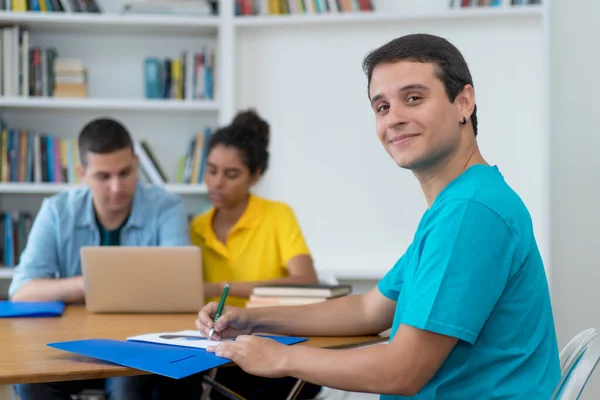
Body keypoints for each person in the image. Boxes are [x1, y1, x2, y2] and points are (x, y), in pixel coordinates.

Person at [196, 34, 561, 399]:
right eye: (382, 107)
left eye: (413, 98)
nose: (395, 118)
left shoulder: (470, 214)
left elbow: (401, 372)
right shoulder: (460, 204)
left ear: (463, 102)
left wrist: (283, 358)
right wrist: (253, 319)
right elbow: (369, 309)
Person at [9, 117, 195, 400]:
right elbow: (22, 291)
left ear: (136, 162)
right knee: (32, 383)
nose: (117, 187)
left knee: (130, 385)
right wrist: (91, 284)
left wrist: (104, 285)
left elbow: (180, 287)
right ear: (82, 173)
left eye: (125, 172)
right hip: (73, 340)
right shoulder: (57, 211)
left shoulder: (167, 207)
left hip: (143, 342)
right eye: (103, 176)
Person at [189, 109, 322, 399]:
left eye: (231, 174)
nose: (217, 183)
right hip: (212, 350)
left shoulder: (277, 216)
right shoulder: (195, 227)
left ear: (256, 175)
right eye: (211, 170)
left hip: (271, 346)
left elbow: (307, 281)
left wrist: (217, 288)